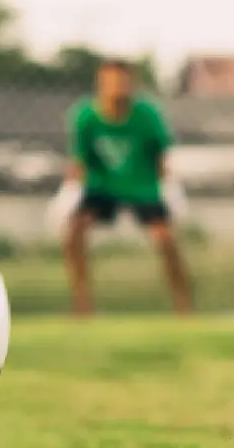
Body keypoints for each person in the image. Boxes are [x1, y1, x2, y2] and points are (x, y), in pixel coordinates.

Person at [61, 61, 195, 317]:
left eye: (122, 82)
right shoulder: (85, 116)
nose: (116, 88)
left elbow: (161, 159)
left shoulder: (148, 115)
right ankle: (82, 303)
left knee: (166, 239)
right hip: (102, 188)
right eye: (110, 82)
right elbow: (78, 161)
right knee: (73, 231)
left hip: (143, 188)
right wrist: (71, 192)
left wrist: (169, 191)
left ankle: (183, 303)